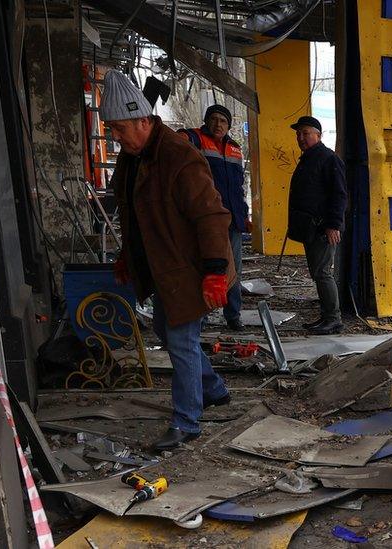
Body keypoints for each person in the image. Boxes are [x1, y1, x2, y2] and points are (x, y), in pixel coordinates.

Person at [101, 70, 232, 450]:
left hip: (191, 266)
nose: (116, 137)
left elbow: (212, 216)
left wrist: (214, 273)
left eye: (120, 129)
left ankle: (187, 422)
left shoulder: (179, 156)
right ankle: (214, 389)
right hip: (163, 266)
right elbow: (131, 212)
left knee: (180, 338)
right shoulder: (133, 156)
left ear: (144, 121)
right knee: (167, 328)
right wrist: (129, 255)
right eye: (111, 130)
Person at [178, 105, 248, 331]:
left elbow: (239, 186)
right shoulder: (195, 139)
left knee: (233, 270)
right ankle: (203, 316)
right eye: (214, 119)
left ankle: (233, 316)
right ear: (207, 121)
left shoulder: (235, 149)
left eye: (223, 121)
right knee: (206, 265)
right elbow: (179, 144)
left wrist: (243, 212)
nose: (219, 125)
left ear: (229, 125)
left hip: (233, 219)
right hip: (207, 219)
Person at [286, 116, 348, 335]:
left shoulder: (328, 159)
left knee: (322, 273)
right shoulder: (309, 158)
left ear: (318, 136)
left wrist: (333, 225)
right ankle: (326, 316)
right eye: (298, 134)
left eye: (306, 133)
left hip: (323, 229)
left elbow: (339, 195)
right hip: (311, 228)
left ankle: (333, 319)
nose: (301, 138)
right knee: (318, 272)